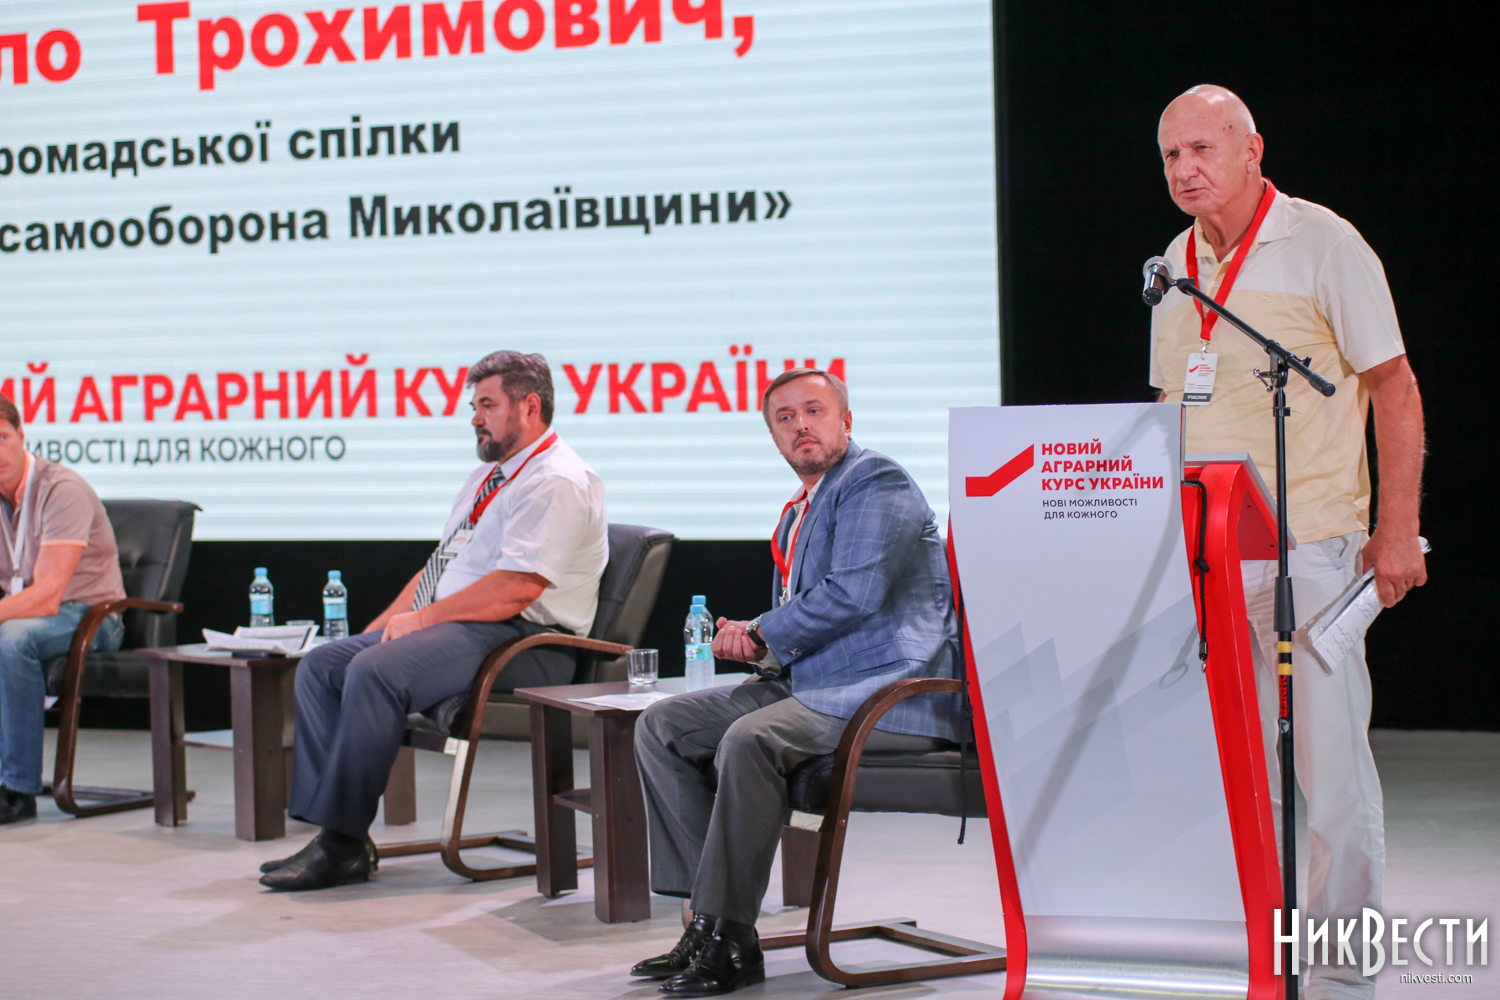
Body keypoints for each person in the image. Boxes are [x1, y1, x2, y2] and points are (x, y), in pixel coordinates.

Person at [1150, 85, 1427, 1000]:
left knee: (1330, 775)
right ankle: (1254, 958)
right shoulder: (1173, 265)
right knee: (1229, 773)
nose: (1185, 169)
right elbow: (1169, 408)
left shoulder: (1324, 243)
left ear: (1252, 149)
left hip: (1312, 544)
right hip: (1207, 555)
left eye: (1202, 149)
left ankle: (1345, 976)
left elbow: (1394, 385)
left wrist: (1396, 528)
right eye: (1171, 156)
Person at [630, 369, 962, 996]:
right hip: (821, 686)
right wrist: (756, 641)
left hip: (890, 691)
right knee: (663, 725)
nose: (801, 425)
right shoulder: (799, 511)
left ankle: (730, 936)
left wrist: (758, 631)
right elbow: (804, 617)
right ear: (774, 436)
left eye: (814, 410)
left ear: (846, 421)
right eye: (785, 418)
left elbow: (854, 594)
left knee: (751, 738)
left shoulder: (876, 480)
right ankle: (706, 922)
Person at [260, 351, 607, 891]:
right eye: (474, 406)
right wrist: (378, 630)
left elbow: (516, 589)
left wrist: (420, 622)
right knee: (326, 665)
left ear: (530, 407)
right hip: (470, 628)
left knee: (374, 671)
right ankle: (335, 833)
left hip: (529, 642)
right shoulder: (488, 476)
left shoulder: (555, 479)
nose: (474, 418)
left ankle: (341, 844)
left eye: (487, 405)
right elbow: (438, 568)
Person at [0, 394, 127, 825]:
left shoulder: (61, 491)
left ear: (21, 435)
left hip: (92, 615)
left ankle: (18, 790)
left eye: (2, 438)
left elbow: (48, 595)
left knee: (12, 638)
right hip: (28, 611)